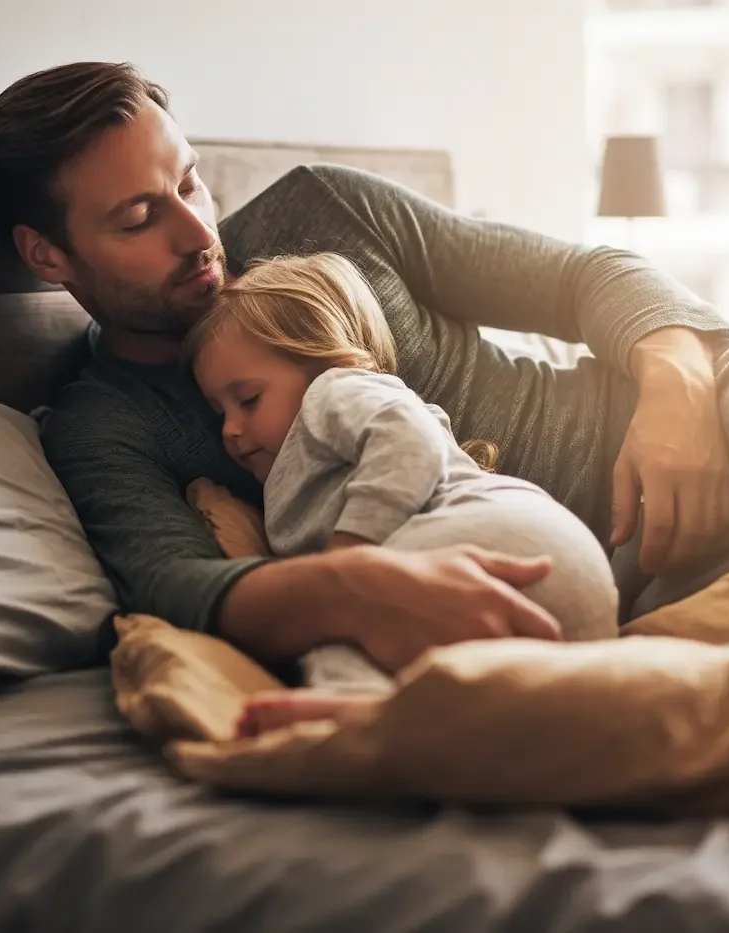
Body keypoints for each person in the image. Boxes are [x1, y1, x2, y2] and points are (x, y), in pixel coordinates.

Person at [0, 61, 729, 687]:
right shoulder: (104, 424)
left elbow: (591, 273)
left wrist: (678, 400)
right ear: (49, 256)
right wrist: (352, 590)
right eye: (140, 218)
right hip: (642, 582)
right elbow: (184, 586)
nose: (202, 232)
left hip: (726, 411)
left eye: (188, 180)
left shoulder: (324, 212)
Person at [186, 251, 620, 692]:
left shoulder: (335, 391)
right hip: (551, 584)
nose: (231, 430)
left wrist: (352, 558)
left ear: (327, 360)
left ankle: (341, 715)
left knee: (342, 630)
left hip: (501, 535)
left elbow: (407, 441)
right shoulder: (292, 474)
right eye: (218, 412)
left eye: (249, 399)